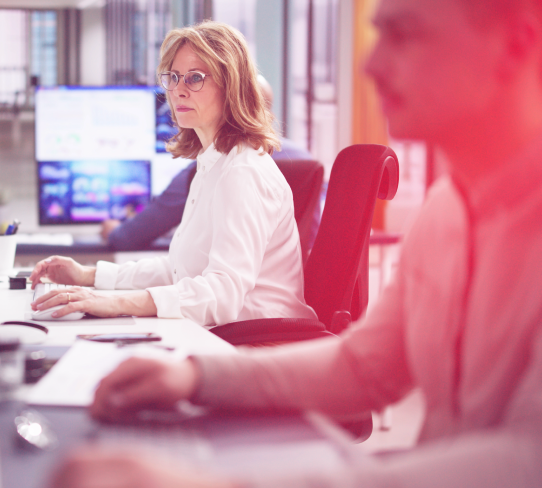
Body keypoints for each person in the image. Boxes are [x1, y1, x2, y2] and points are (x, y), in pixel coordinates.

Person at [52, 0, 542, 486]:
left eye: (405, 34)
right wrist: (197, 378)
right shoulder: (445, 214)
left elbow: (526, 459)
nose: (370, 65)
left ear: (518, 44)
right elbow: (363, 366)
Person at [29, 21, 317, 326]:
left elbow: (222, 293)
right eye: (174, 77)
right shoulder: (212, 164)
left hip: (258, 343)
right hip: (227, 334)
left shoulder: (242, 172)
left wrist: (113, 302)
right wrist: (89, 276)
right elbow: (180, 270)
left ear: (231, 85)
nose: (178, 90)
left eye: (194, 78)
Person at [101, 76, 314, 252]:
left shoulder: (209, 165)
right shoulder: (305, 159)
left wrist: (114, 230)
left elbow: (130, 236)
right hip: (298, 284)